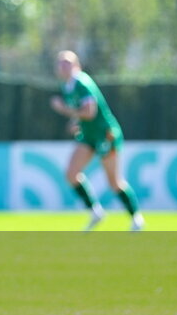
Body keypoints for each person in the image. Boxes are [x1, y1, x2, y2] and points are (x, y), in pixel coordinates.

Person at [50, 51, 144, 232]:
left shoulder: (82, 82)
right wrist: (76, 123)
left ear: (77, 65)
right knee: (71, 174)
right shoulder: (67, 86)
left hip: (104, 134)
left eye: (67, 63)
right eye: (60, 63)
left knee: (114, 182)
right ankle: (95, 211)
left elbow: (90, 112)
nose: (63, 66)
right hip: (88, 136)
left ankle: (136, 217)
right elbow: (82, 113)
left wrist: (64, 109)